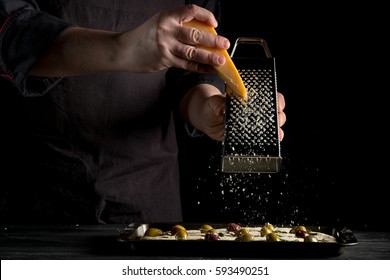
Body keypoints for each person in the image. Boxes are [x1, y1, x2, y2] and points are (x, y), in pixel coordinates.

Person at [0, 0, 286, 224]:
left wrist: (210, 110)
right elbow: (12, 35)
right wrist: (126, 48)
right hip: (43, 195)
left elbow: (193, 74)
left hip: (149, 204)